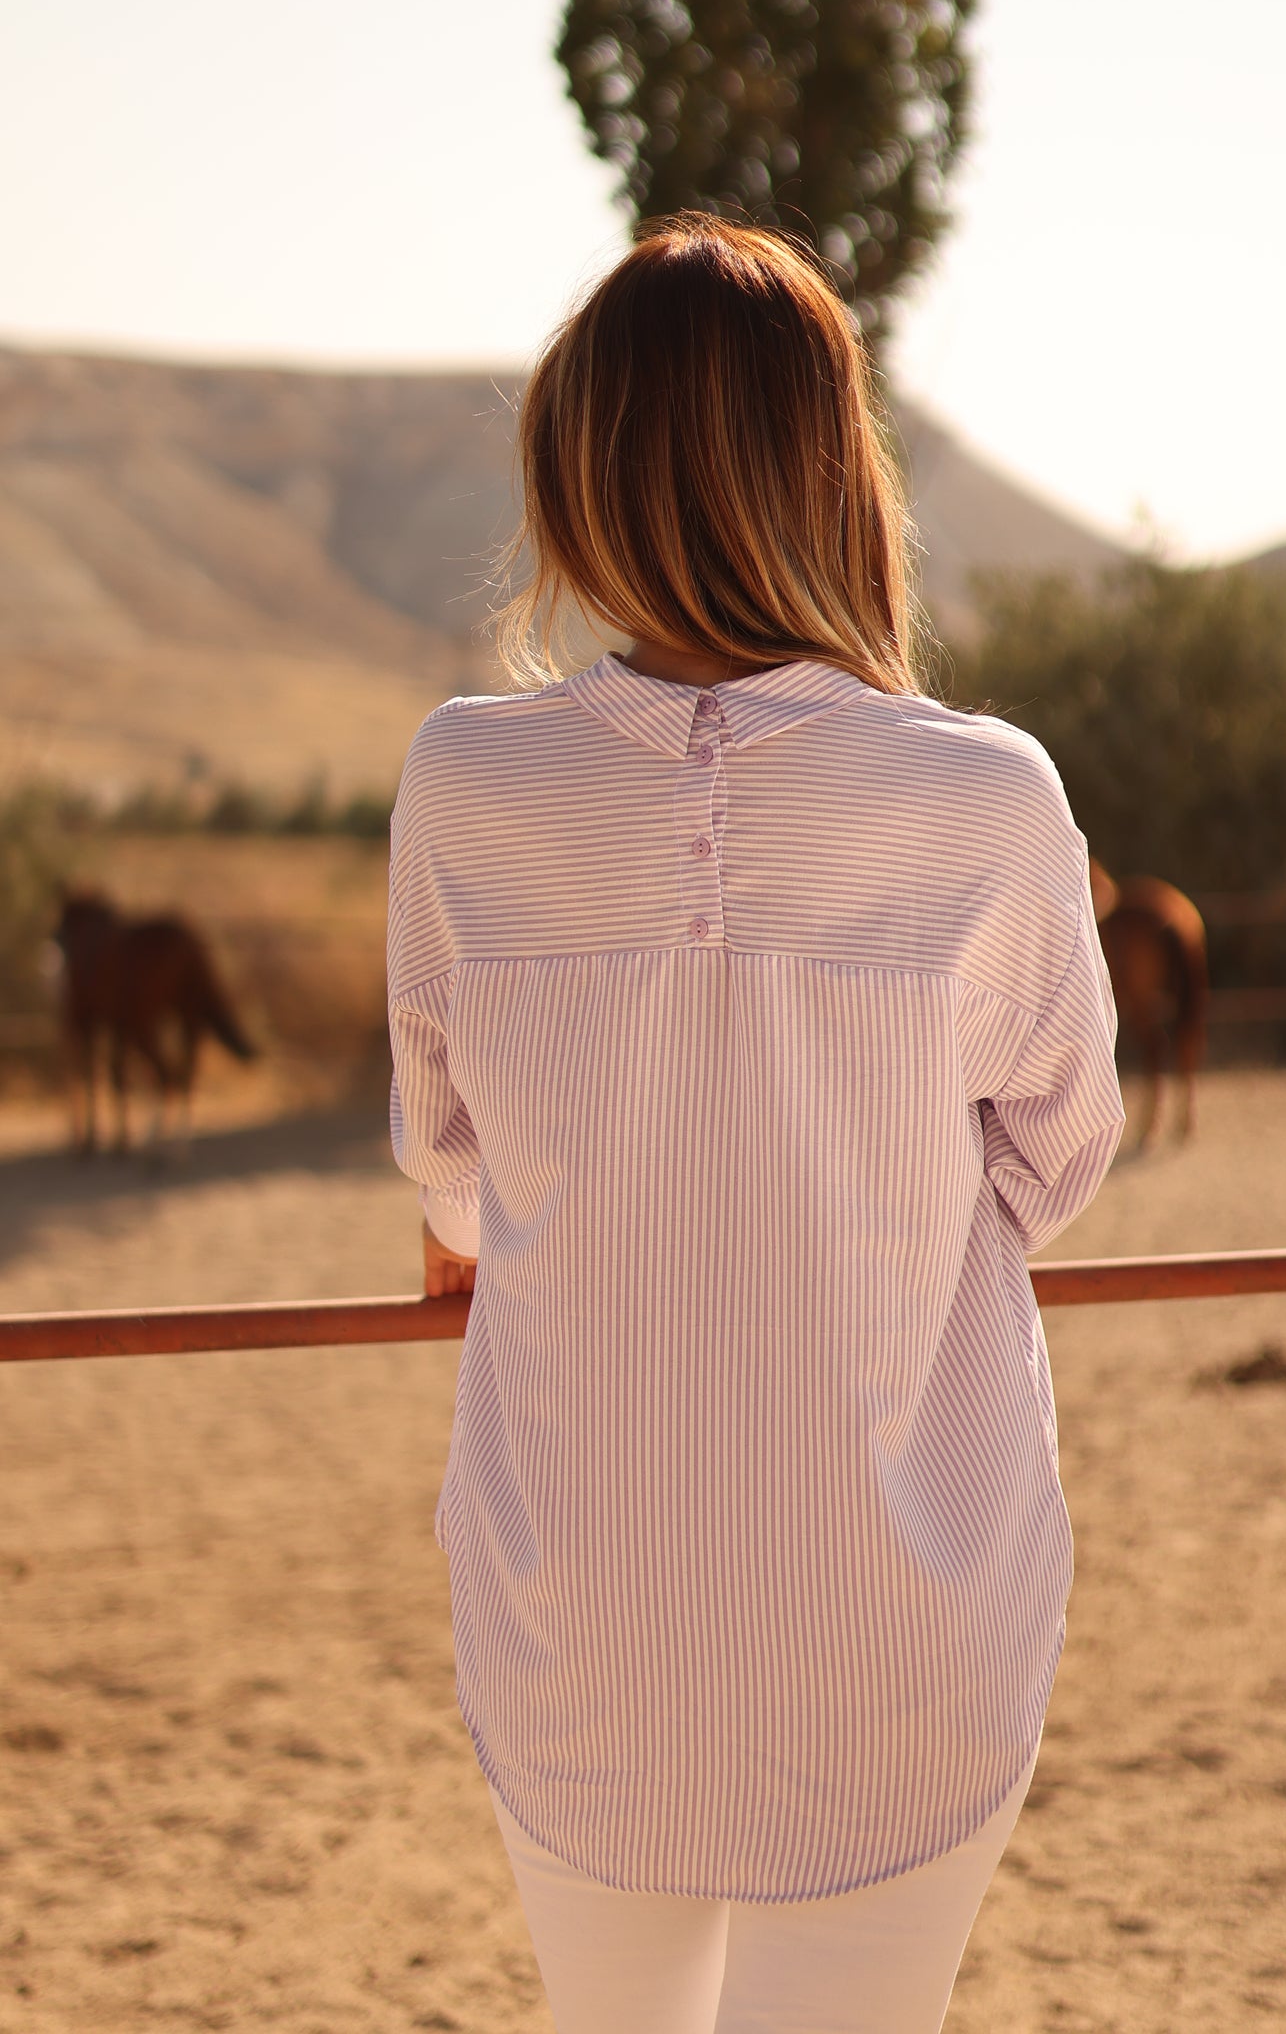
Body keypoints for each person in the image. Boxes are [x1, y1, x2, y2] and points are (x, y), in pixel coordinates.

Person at [387, 215, 1124, 2034]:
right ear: (834, 475)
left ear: (577, 476)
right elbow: (1056, 1156)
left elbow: (450, 1173)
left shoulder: (463, 782)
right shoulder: (984, 796)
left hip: (589, 1621)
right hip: (897, 1619)